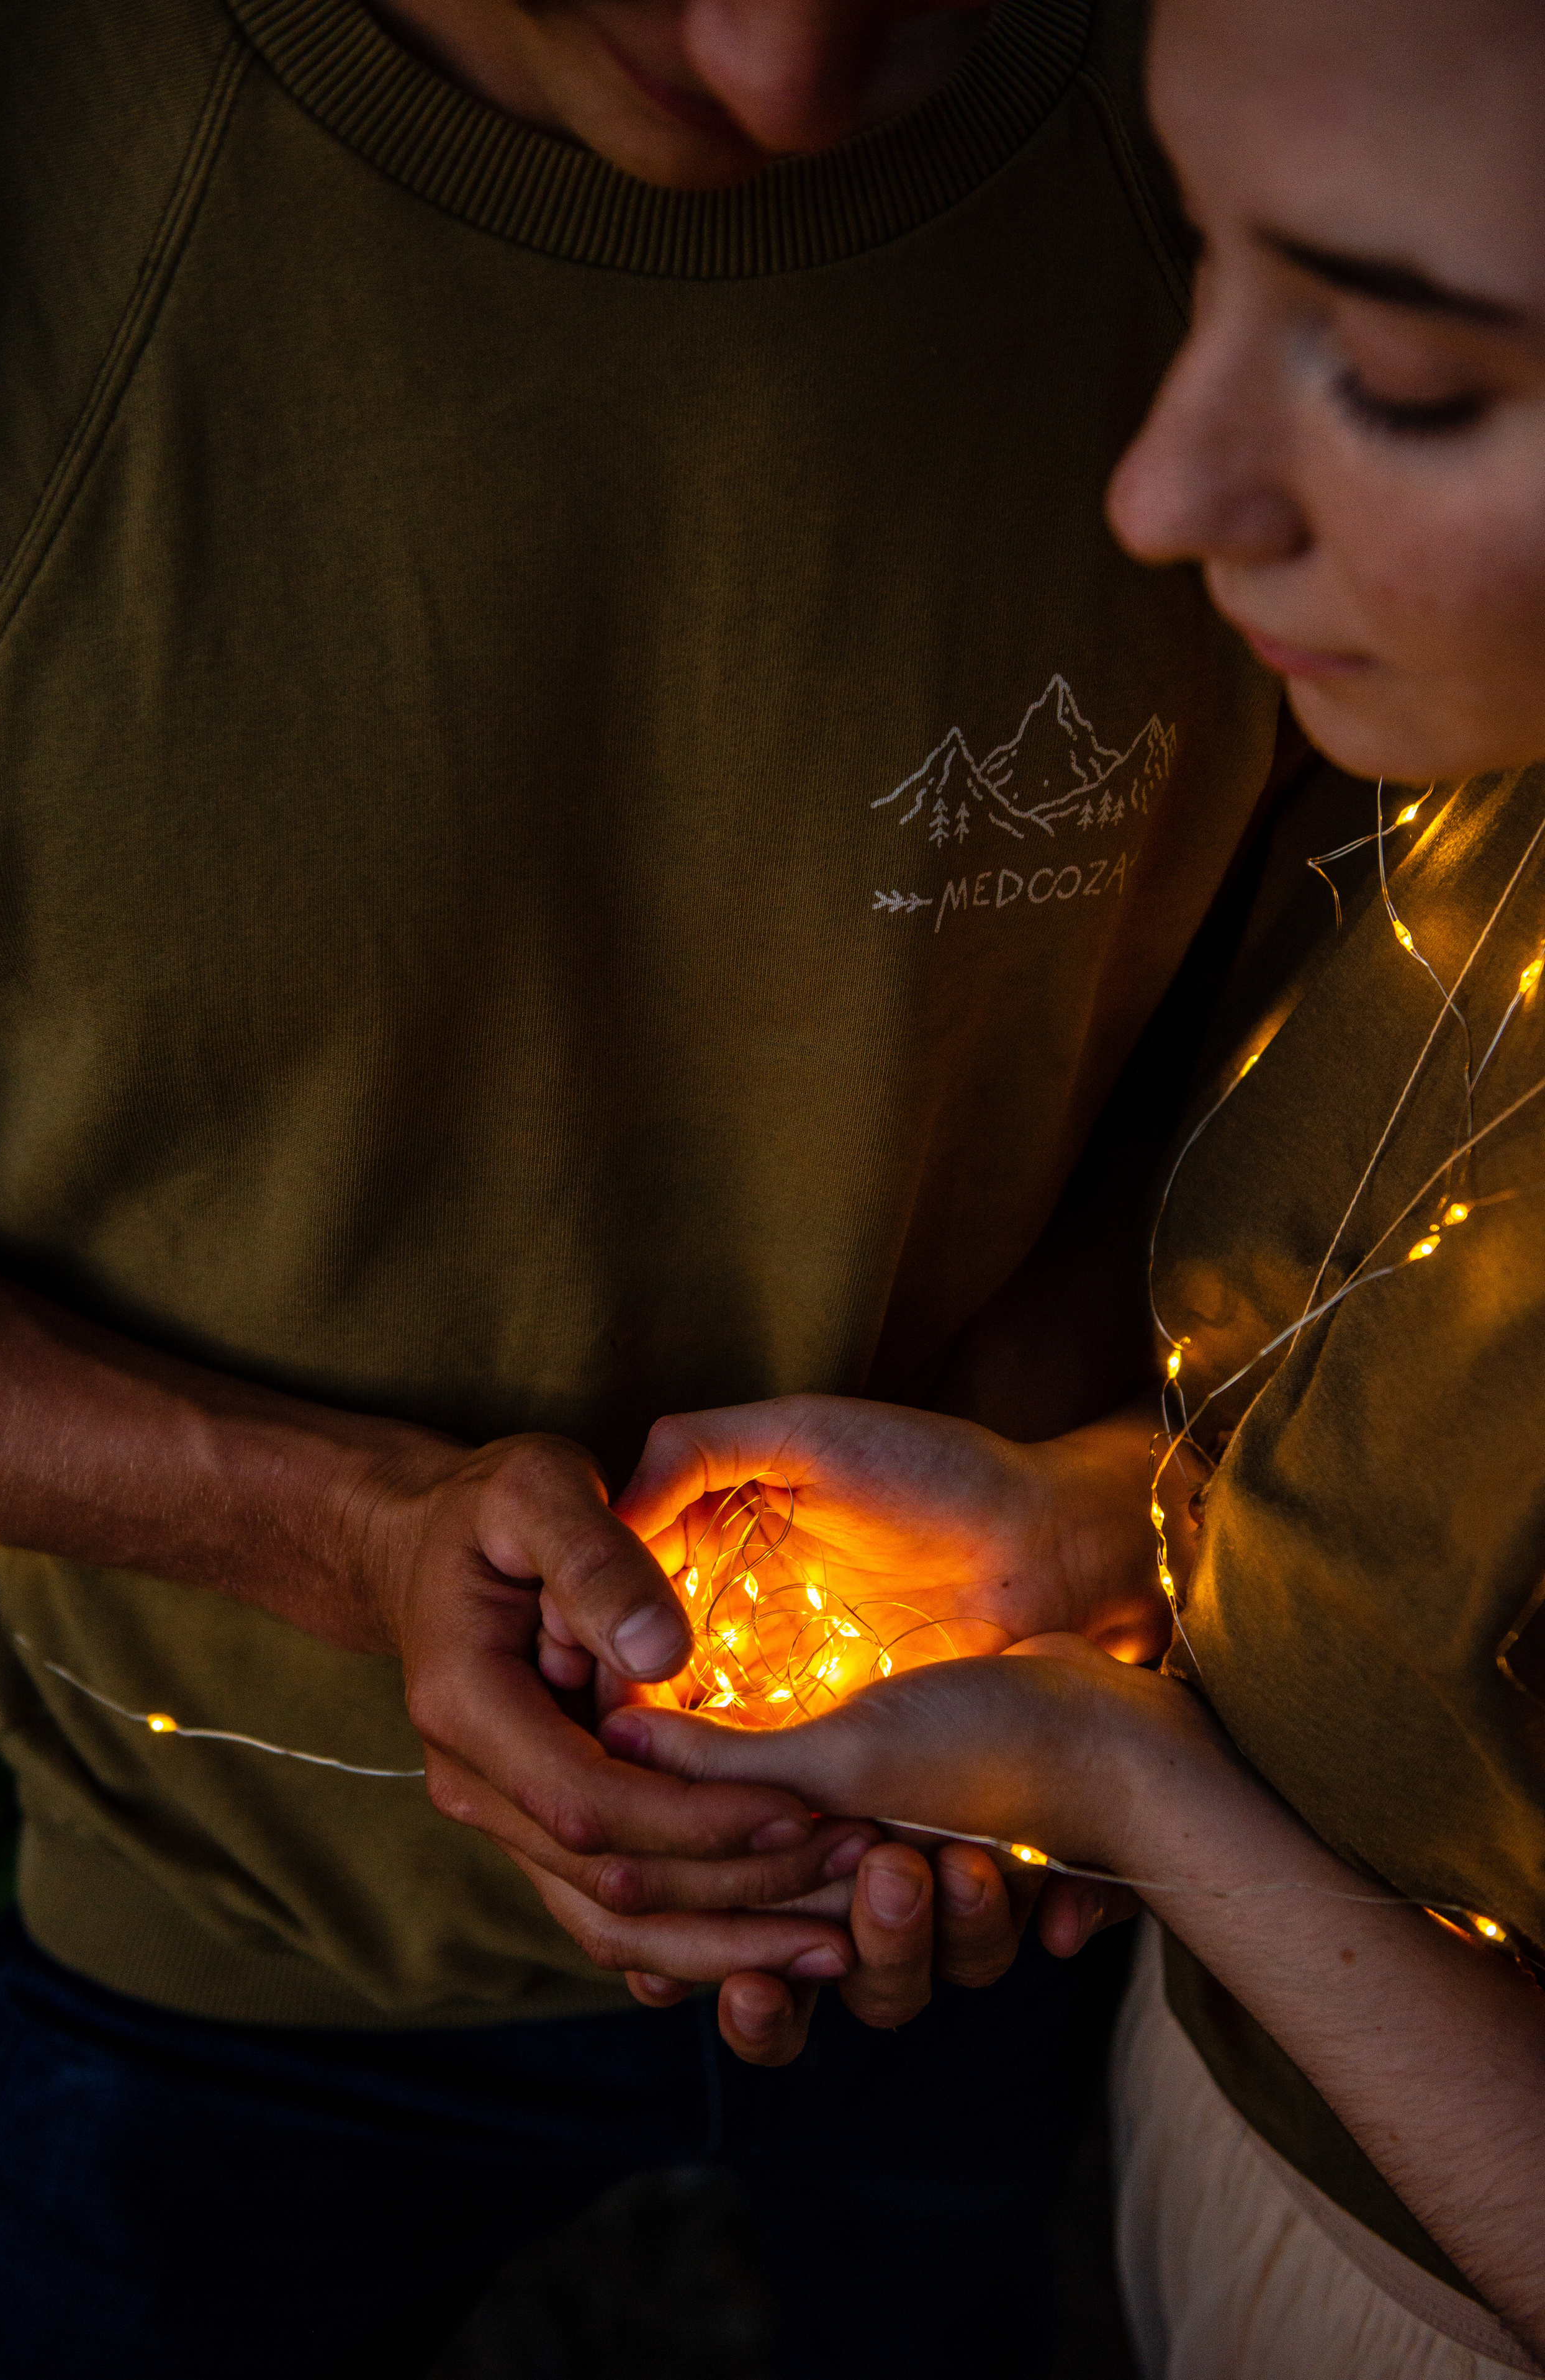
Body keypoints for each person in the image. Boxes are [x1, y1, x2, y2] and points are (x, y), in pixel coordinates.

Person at [0, 0, 1299, 2373]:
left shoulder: (1286, 144)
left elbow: (1340, 957)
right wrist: (342, 1530)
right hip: (220, 1924)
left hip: (989, 1896)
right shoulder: (30, 181)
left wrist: (1050, 1485)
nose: (782, 72)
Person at [603, 0, 1545, 2371]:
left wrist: (1125, 1787)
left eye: (1407, 373)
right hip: (1220, 2113)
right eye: (1208, 256)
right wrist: (1088, 1523)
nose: (1159, 489)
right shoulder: (1461, 795)